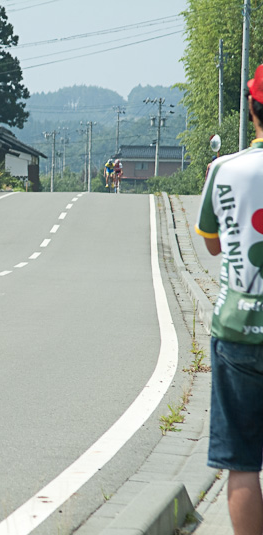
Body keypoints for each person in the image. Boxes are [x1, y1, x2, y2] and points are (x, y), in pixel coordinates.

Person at [195, 63, 263, 535]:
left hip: (239, 328)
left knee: (242, 463)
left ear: (253, 110)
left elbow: (212, 242)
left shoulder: (223, 170)